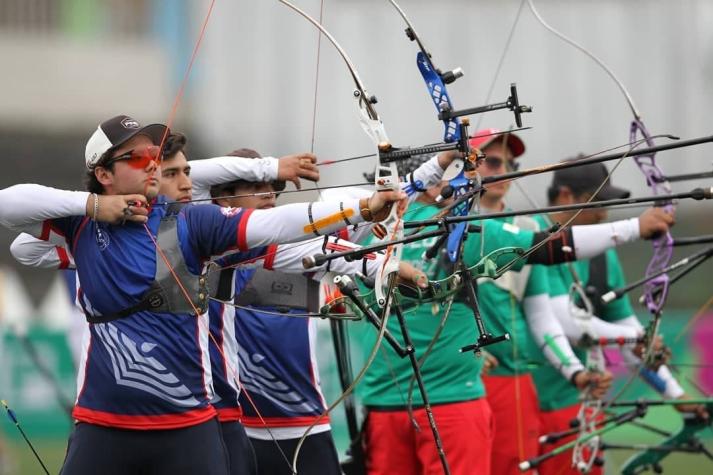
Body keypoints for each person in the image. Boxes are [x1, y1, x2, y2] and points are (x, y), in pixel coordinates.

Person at [0, 114, 406, 475]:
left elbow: (278, 225)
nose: (153, 165)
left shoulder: (193, 221)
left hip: (187, 428)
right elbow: (8, 206)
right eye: (138, 158)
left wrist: (364, 209)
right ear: (104, 174)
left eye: (154, 156)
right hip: (102, 425)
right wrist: (94, 207)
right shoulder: (81, 226)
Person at [357, 133, 673, 475]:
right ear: (436, 183)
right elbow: (551, 247)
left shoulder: (368, 235)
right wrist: (634, 227)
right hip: (438, 400)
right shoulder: (459, 229)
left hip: (412, 400)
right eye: (480, 163)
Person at [208, 149, 439, 475]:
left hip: (303, 423)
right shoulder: (208, 248)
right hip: (234, 423)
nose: (270, 195)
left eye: (274, 187)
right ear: (221, 197)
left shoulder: (294, 236)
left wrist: (438, 166)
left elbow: (383, 211)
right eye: (255, 186)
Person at [529, 159, 708, 475]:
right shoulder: (529, 237)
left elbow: (628, 333)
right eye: (597, 203)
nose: (604, 213)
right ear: (566, 196)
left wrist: (675, 394)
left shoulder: (601, 253)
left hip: (575, 404)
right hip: (520, 401)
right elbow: (565, 324)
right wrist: (639, 338)